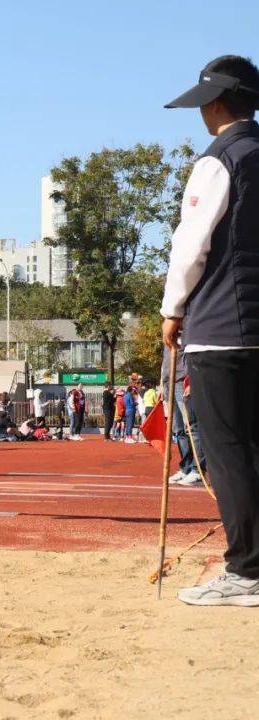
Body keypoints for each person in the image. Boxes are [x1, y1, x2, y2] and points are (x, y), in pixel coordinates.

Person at [162, 55, 259, 605]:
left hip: (223, 326)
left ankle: (246, 570)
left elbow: (190, 243)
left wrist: (173, 308)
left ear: (216, 101)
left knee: (227, 450)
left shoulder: (219, 158)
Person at [160, 344, 206, 487]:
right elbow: (165, 360)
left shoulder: (187, 328)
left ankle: (197, 470)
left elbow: (197, 356)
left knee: (191, 427)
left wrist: (192, 380)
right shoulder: (168, 333)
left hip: (182, 381)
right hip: (169, 383)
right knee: (178, 430)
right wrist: (161, 383)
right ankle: (186, 467)